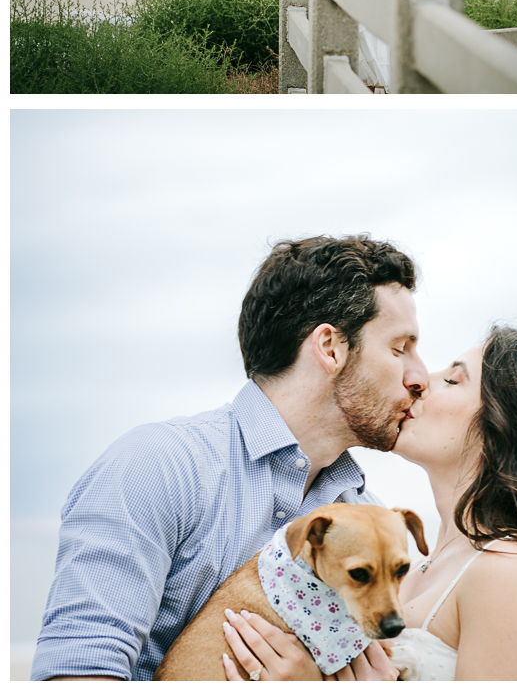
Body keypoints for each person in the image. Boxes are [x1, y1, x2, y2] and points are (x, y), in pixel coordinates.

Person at [31, 235, 427, 681]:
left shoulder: (365, 511)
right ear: (330, 347)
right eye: (400, 349)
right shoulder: (155, 466)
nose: (421, 376)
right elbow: (79, 673)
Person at [221, 327, 517, 681]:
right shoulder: (407, 567)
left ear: (502, 428)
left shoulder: (509, 570)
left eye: (452, 379)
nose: (420, 380)